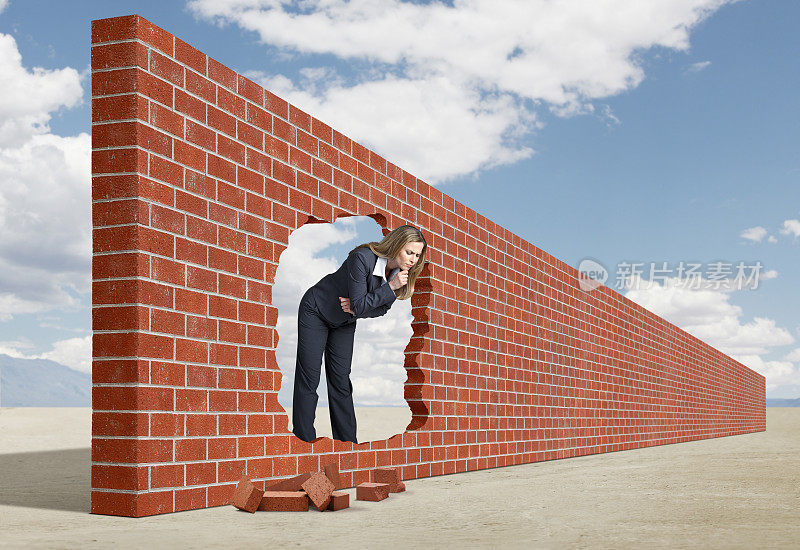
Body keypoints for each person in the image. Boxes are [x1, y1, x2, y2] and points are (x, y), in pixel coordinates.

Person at [291, 225, 428, 444]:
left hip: (344, 321)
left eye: (417, 255)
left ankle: (347, 444)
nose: (412, 259)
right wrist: (385, 290)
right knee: (309, 378)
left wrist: (359, 307)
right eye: (409, 252)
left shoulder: (399, 276)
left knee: (341, 381)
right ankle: (303, 440)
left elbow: (380, 309)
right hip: (316, 309)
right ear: (396, 246)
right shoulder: (362, 258)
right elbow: (362, 303)